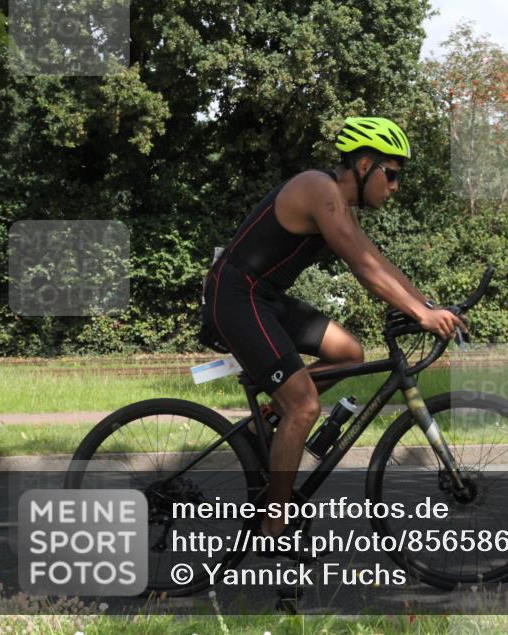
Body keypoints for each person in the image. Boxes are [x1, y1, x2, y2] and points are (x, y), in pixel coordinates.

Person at [199, 117, 466, 547]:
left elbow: (379, 264)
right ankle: (275, 527)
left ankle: (264, 424)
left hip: (262, 297)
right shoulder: (318, 191)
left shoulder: (338, 204)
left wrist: (429, 308)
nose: (396, 186)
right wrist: (420, 315)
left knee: (348, 352)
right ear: (364, 165)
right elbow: (365, 272)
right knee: (304, 406)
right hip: (234, 297)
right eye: (392, 174)